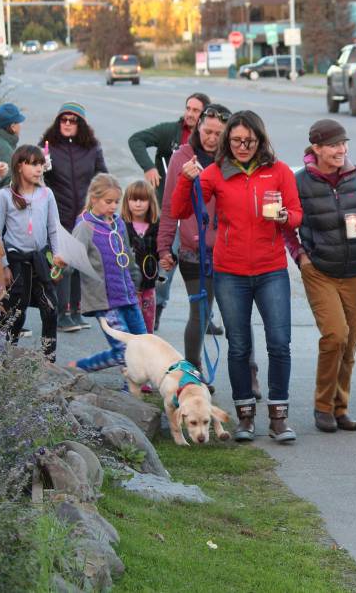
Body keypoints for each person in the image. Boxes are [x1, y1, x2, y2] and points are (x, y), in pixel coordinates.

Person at [172, 110, 301, 443]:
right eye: (236, 140)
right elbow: (180, 211)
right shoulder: (216, 173)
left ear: (260, 139)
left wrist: (286, 216)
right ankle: (244, 417)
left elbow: (297, 215)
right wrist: (187, 179)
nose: (243, 146)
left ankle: (279, 417)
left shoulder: (279, 171)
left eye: (249, 140)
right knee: (239, 345)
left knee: (279, 344)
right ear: (227, 141)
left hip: (271, 269)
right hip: (229, 271)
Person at [283, 119, 356, 433]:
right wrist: (300, 257)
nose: (341, 150)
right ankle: (322, 407)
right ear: (317, 148)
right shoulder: (300, 181)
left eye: (344, 144)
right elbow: (286, 225)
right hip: (320, 270)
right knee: (335, 336)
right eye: (334, 145)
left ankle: (341, 408)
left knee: (349, 344)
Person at [159, 104, 250, 389]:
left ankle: (251, 372)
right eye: (207, 131)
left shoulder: (234, 158)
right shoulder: (182, 158)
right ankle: (193, 372)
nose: (211, 138)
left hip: (231, 248)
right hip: (194, 252)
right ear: (197, 128)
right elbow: (168, 206)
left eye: (218, 133)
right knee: (199, 314)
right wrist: (163, 248)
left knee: (239, 315)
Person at [129, 92, 211, 330]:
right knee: (167, 264)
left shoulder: (212, 140)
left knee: (207, 269)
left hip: (202, 215)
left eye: (196, 111)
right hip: (175, 213)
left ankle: (206, 317)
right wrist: (149, 167)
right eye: (188, 108)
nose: (190, 114)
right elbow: (136, 139)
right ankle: (156, 310)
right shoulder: (171, 132)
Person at [40, 102, 107, 333]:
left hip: (84, 216)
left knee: (79, 262)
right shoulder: (47, 147)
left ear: (82, 124)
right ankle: (61, 314)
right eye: (63, 119)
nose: (67, 124)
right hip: (58, 214)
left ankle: (77, 311)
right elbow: (39, 180)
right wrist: (43, 167)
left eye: (73, 120)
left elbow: (102, 178)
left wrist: (96, 207)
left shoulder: (92, 148)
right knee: (63, 264)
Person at [0, 145, 64, 360]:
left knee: (50, 309)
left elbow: (54, 227)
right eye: (33, 164)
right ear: (19, 166)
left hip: (40, 260)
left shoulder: (46, 194)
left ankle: (48, 358)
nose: (39, 168)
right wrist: (3, 265)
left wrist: (58, 256)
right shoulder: (5, 195)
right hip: (16, 261)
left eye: (41, 164)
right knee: (16, 311)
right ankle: (7, 355)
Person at [69, 174, 147, 372]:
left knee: (143, 346)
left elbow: (127, 255)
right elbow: (71, 260)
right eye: (108, 201)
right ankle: (81, 367)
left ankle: (136, 383)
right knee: (124, 352)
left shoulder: (118, 223)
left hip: (127, 296)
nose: (113, 206)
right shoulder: (84, 226)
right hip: (104, 302)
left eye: (116, 202)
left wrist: (135, 281)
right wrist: (60, 264)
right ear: (94, 199)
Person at [122, 180, 160, 333]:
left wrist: (168, 260)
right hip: (128, 289)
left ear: (150, 202)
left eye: (142, 200)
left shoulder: (157, 226)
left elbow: (164, 252)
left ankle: (146, 356)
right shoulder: (121, 226)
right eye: (133, 199)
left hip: (149, 287)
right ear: (127, 201)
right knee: (130, 330)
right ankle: (127, 357)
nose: (138, 204)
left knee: (147, 329)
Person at [0, 102, 26, 193]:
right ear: (13, 127)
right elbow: (3, 184)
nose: (21, 126)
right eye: (19, 122)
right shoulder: (3, 148)